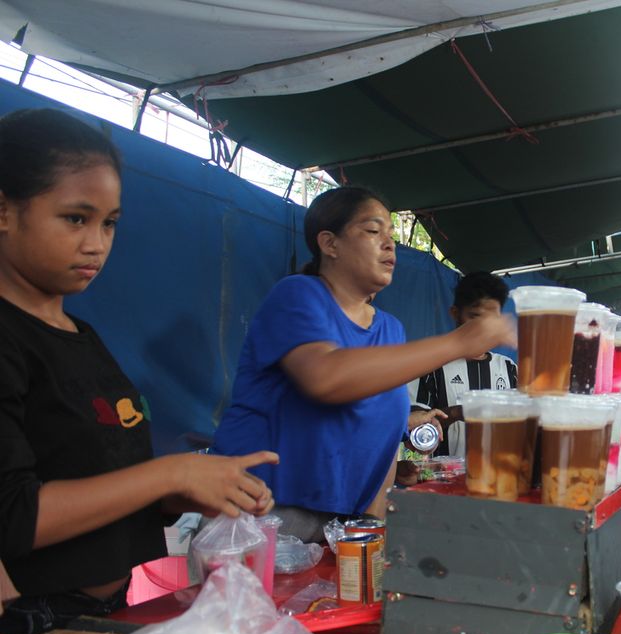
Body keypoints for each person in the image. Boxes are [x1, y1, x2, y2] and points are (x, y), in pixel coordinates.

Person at [0, 109, 276, 634]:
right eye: (75, 218)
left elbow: (99, 478)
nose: (96, 244)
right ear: (4, 211)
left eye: (109, 223)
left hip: (103, 612)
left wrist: (196, 491)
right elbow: (12, 517)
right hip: (28, 627)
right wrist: (168, 475)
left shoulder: (81, 334)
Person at [214, 187, 514, 542]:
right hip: (265, 512)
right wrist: (459, 342)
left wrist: (372, 522)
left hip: (347, 521)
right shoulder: (297, 295)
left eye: (391, 235)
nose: (389, 244)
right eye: (373, 231)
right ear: (330, 244)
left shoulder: (389, 328)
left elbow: (382, 431)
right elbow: (325, 377)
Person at [408, 272, 518, 458]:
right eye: (475, 317)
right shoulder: (431, 365)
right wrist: (457, 412)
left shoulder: (509, 368)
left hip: (498, 476)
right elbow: (414, 428)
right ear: (455, 314)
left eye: (492, 320)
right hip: (442, 479)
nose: (483, 328)